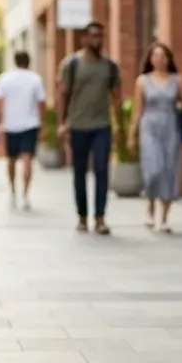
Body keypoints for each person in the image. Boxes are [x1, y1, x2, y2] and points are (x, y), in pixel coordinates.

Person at [130, 42, 182, 233]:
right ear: (150, 59)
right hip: (150, 127)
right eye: (155, 56)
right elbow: (138, 110)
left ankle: (164, 218)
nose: (159, 59)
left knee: (169, 171)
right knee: (153, 169)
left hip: (170, 127)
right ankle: (150, 205)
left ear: (168, 59)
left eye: (163, 56)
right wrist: (132, 134)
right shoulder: (142, 81)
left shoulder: (177, 80)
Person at [57, 21, 122, 235]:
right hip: (78, 126)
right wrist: (62, 123)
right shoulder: (72, 64)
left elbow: (116, 96)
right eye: (93, 35)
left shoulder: (109, 66)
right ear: (84, 38)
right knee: (80, 172)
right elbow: (63, 94)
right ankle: (82, 216)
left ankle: (100, 218)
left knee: (102, 170)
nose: (98, 40)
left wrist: (119, 125)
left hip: (102, 125)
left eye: (100, 36)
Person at [0, 51, 46, 210]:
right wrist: (43, 123)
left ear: (15, 61)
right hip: (30, 125)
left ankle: (13, 191)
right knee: (27, 159)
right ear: (29, 62)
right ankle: (25, 195)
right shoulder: (35, 79)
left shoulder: (5, 78)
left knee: (11, 160)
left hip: (10, 125)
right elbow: (41, 102)